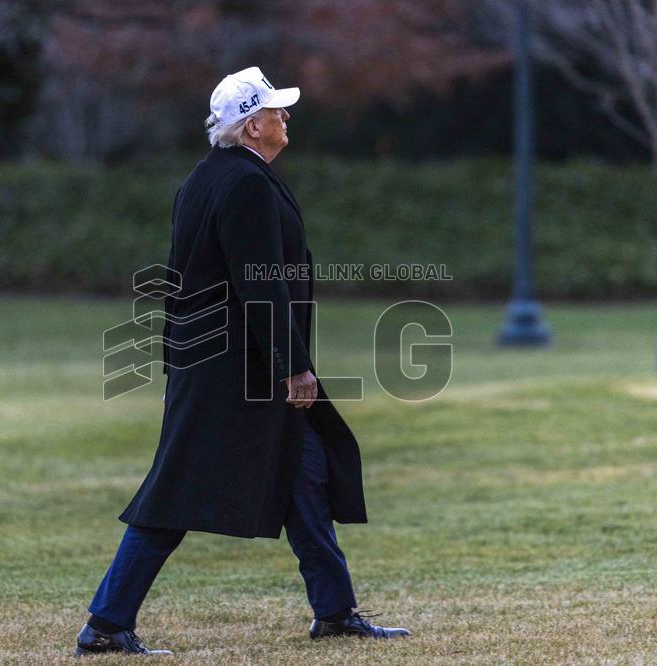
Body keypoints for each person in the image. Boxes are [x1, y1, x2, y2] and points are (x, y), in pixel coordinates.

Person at [75, 66, 411, 657]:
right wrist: (293, 366)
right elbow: (262, 287)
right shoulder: (247, 185)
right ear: (253, 125)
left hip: (217, 368)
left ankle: (334, 611)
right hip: (238, 376)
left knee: (304, 476)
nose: (286, 118)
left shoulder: (203, 180)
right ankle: (105, 625)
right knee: (173, 495)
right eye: (277, 111)